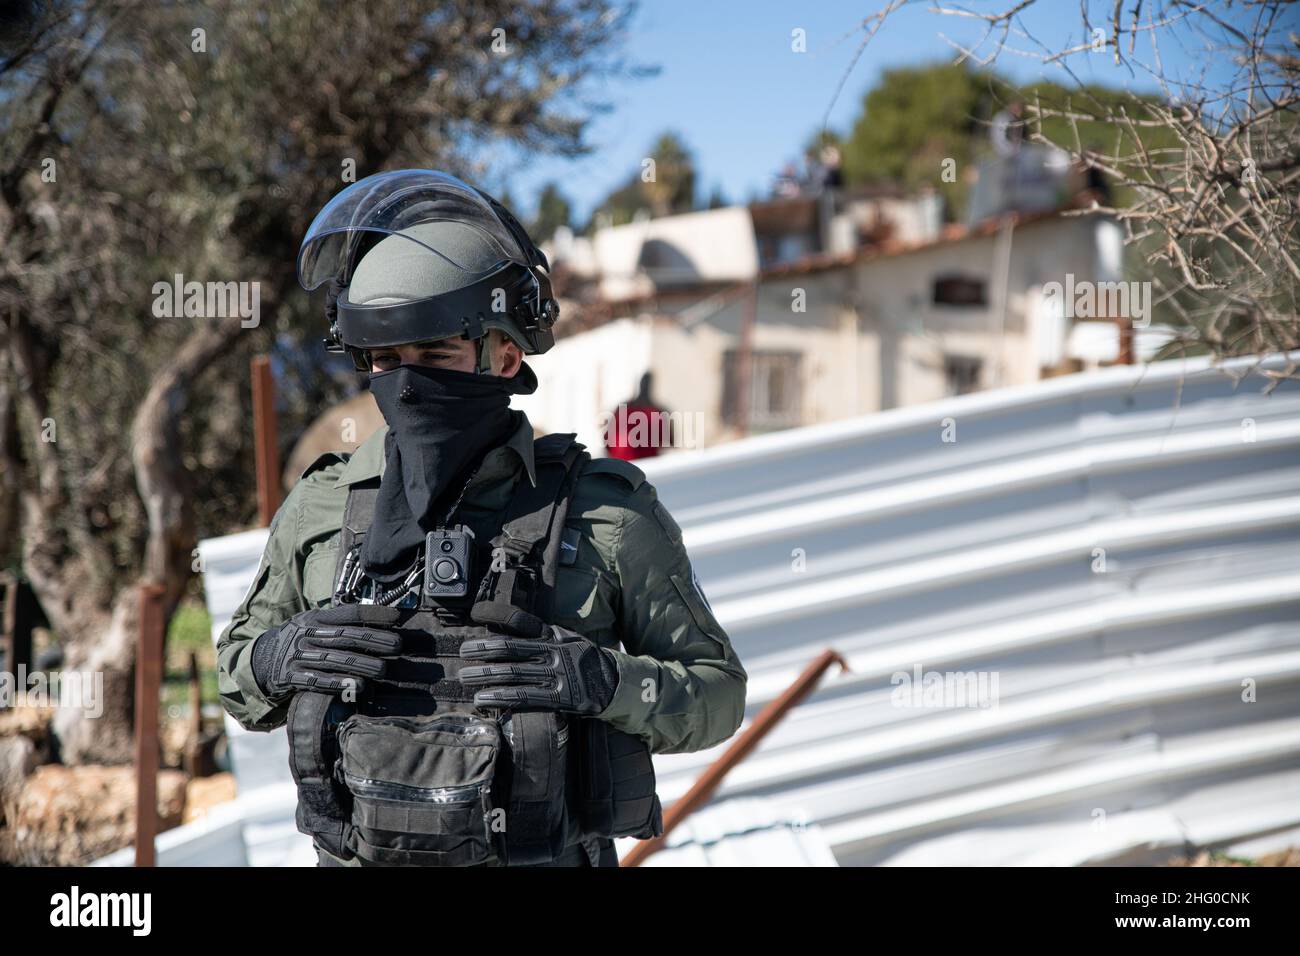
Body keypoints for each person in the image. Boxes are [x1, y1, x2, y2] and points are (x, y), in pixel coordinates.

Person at [216, 170, 747, 867]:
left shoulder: (605, 511)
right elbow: (236, 677)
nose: (407, 383)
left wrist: (598, 681)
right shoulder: (323, 503)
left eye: (436, 354)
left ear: (506, 355)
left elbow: (717, 695)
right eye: (385, 361)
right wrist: (278, 656)